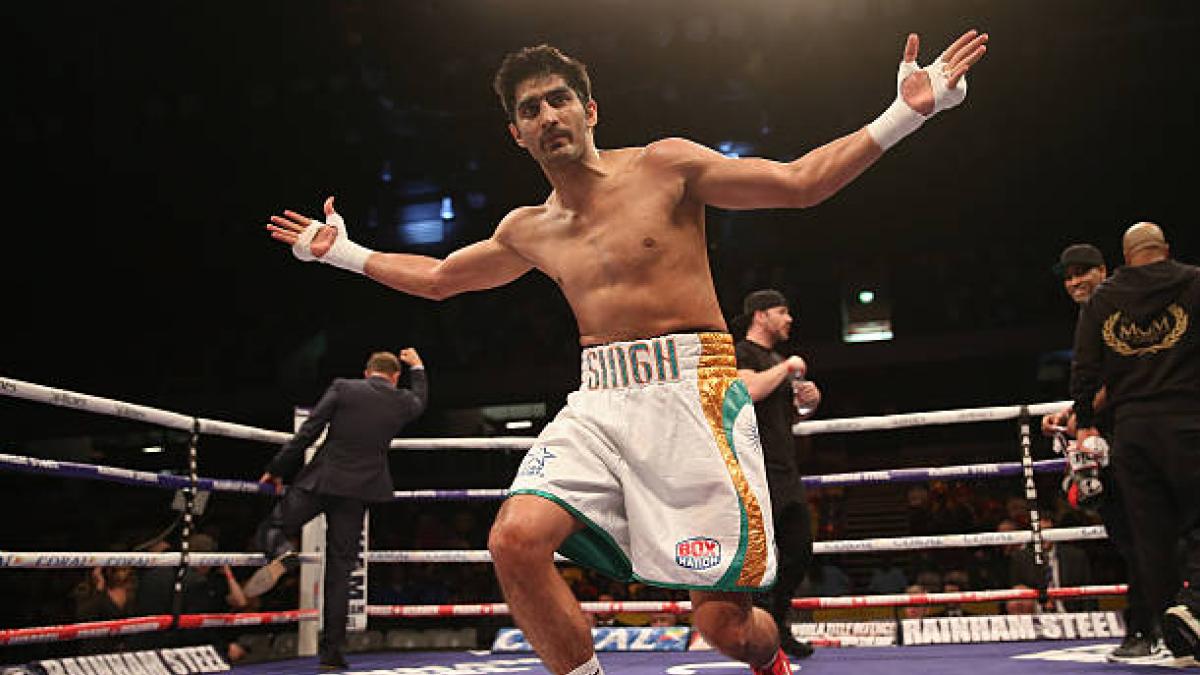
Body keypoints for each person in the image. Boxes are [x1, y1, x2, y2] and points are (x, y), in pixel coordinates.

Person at [265, 32, 988, 675]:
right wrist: (347, 254)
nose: (547, 116)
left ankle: (771, 660)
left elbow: (802, 183)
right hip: (598, 402)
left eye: (558, 100)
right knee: (515, 540)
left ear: (590, 110)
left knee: (722, 623)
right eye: (530, 110)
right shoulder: (528, 228)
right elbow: (440, 277)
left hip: (694, 397)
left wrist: (906, 114)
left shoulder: (666, 166)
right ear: (515, 134)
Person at [249, 349, 427, 670]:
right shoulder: (401, 400)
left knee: (272, 527)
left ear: (366, 371)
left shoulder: (344, 388)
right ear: (395, 376)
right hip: (358, 492)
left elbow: (309, 431)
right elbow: (420, 400)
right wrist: (418, 366)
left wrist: (277, 468)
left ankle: (282, 551)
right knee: (340, 573)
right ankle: (331, 653)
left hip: (321, 480)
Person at [1072, 222, 1200, 661]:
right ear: (1165, 249)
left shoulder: (1103, 300)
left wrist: (1085, 423)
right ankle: (1194, 608)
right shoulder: (1194, 282)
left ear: (1125, 259)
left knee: (1152, 537)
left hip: (1131, 432)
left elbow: (1085, 368)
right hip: (1188, 420)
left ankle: (1174, 637)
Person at [1039, 243, 1162, 661]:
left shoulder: (1120, 306)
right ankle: (1154, 628)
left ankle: (1147, 629)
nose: (1075, 281)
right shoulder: (1090, 315)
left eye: (1083, 272)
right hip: (1113, 440)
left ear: (1105, 270)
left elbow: (1127, 371)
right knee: (1131, 538)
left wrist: (1083, 414)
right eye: (1069, 275)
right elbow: (1095, 379)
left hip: (1136, 438)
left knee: (1145, 538)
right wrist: (1071, 413)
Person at [734, 289, 821, 659]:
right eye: (782, 311)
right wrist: (786, 370)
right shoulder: (741, 353)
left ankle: (775, 623)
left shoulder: (774, 360)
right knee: (764, 557)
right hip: (755, 469)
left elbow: (785, 415)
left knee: (799, 548)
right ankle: (761, 631)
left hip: (785, 467)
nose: (789, 319)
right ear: (760, 315)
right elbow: (747, 391)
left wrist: (807, 403)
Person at [132, 533, 251, 663]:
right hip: (174, 653)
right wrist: (223, 648)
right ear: (207, 560)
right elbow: (193, 631)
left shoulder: (151, 575)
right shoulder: (196, 582)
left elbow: (240, 602)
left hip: (141, 650)